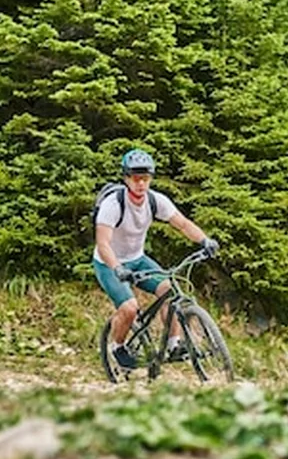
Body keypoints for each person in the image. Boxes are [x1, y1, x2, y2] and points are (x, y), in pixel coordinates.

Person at [93, 148, 219, 369]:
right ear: (126, 178)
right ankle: (118, 347)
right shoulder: (112, 205)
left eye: (146, 178)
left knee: (169, 291)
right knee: (130, 308)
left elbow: (182, 223)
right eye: (135, 178)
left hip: (138, 259)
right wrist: (117, 268)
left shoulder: (156, 201)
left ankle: (173, 344)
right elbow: (103, 244)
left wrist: (204, 240)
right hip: (109, 264)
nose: (141, 183)